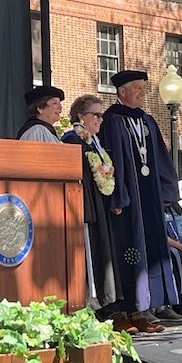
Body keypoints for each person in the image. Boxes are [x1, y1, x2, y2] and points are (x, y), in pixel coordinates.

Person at [99, 70, 179, 333]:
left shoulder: (147, 121)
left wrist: (166, 194)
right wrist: (118, 195)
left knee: (151, 250)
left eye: (144, 88)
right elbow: (113, 163)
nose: (143, 93)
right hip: (127, 201)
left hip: (149, 198)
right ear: (122, 91)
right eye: (138, 88)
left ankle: (144, 309)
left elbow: (161, 158)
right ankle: (123, 310)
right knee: (127, 252)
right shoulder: (111, 120)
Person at [61, 94, 120, 313]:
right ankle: (87, 301)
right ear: (80, 116)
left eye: (101, 116)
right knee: (87, 252)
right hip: (83, 206)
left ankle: (100, 301)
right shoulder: (72, 140)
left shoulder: (94, 143)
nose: (100, 120)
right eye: (96, 115)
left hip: (98, 205)